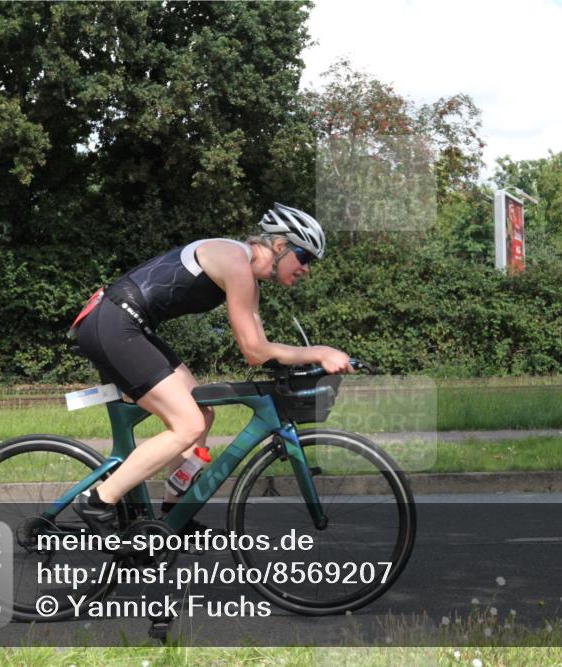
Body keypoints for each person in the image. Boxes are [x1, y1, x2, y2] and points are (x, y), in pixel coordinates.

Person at [70, 203, 353, 537]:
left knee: (202, 415)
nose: (306, 269)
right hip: (115, 323)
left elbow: (262, 349)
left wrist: (311, 358)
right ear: (279, 247)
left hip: (129, 325)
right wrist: (319, 352)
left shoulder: (249, 281)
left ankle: (175, 515)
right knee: (187, 424)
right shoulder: (235, 260)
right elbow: (253, 351)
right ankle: (98, 500)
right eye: (304, 258)